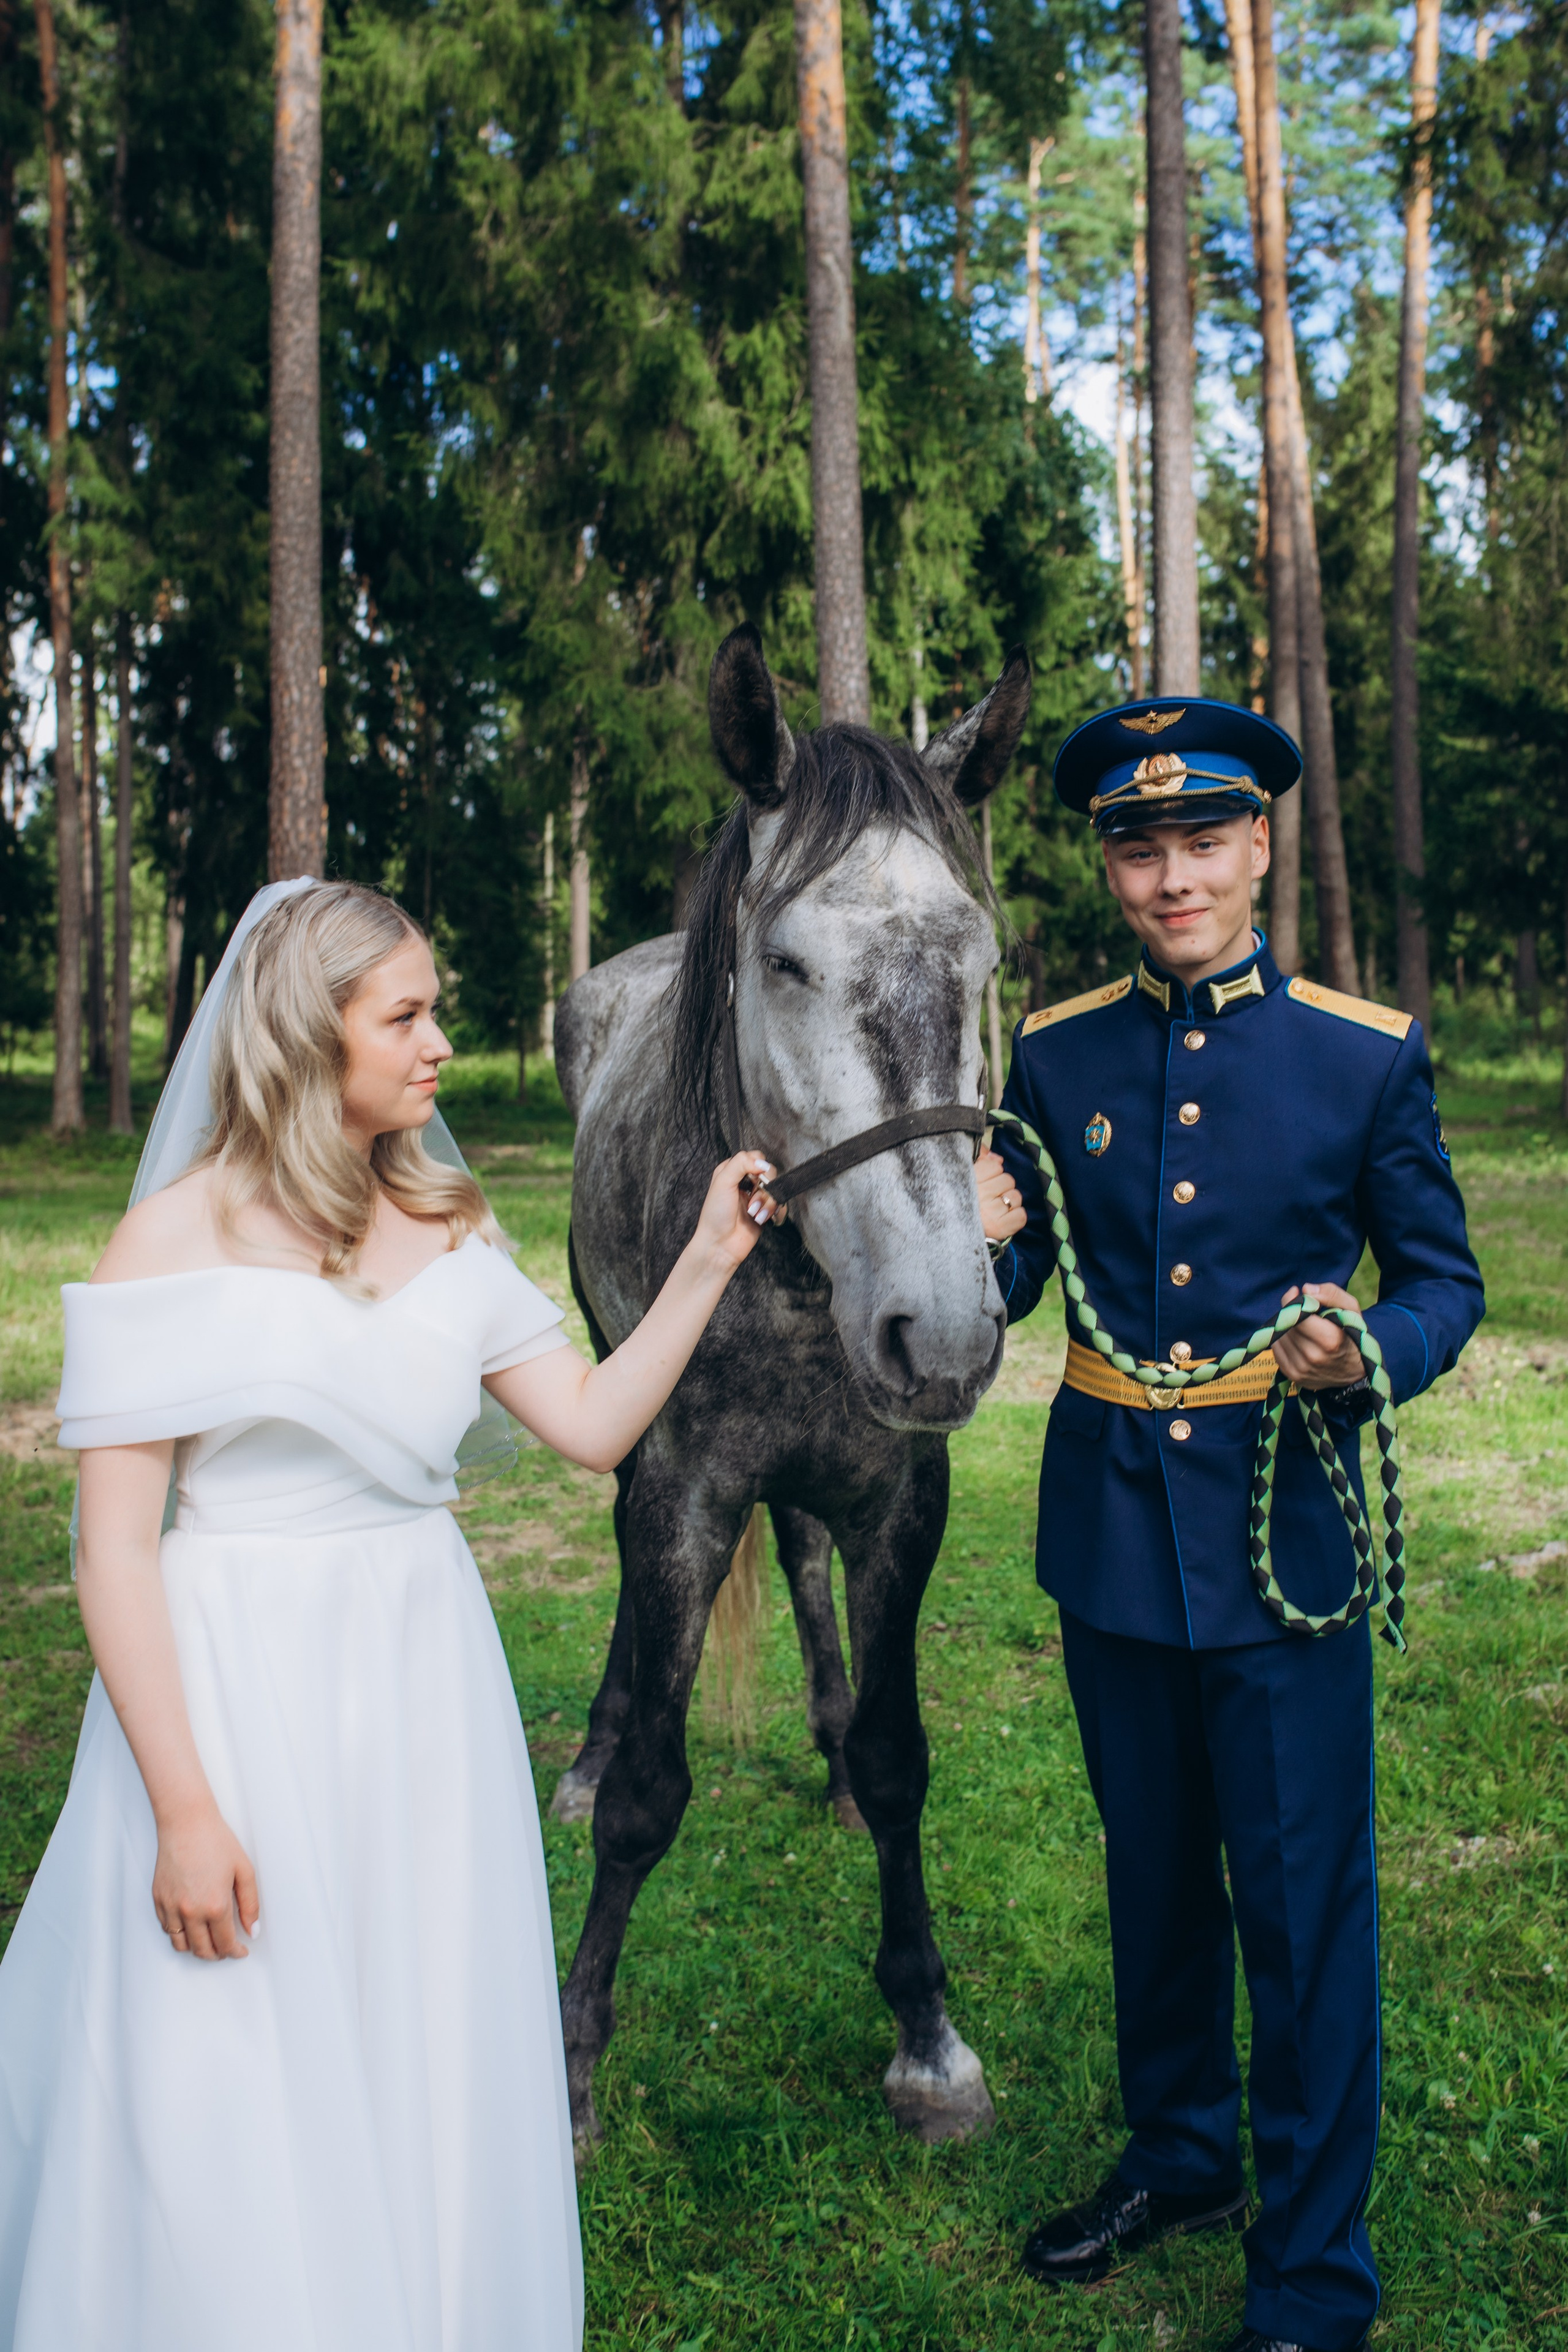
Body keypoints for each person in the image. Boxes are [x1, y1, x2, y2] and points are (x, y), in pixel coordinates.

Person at [0, 878, 780, 2352]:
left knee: (415, 2019)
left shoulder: (446, 1228)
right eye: (405, 1016)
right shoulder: (165, 1243)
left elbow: (594, 1425)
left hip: (420, 1682)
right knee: (231, 2043)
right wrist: (182, 1810)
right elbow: (111, 1555)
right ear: (309, 1032)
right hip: (234, 1687)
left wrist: (704, 1261)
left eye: (436, 1012)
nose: (439, 1045)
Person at [979, 701, 1484, 2352]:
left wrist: (1374, 1350)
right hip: (1113, 1537)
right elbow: (1022, 1276)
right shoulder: (1053, 1054)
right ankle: (1182, 2155)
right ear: (1108, 867)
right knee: (1153, 1884)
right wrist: (982, 1236)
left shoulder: (1360, 1051)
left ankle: (1313, 2273)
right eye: (1140, 849)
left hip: (1286, 1539)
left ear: (1259, 845)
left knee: (1300, 1905)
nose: (1173, 877)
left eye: (1204, 840)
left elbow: (1445, 1280)